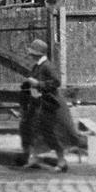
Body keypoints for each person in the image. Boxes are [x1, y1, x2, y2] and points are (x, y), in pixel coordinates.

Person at [19, 38, 77, 171]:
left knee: (51, 132)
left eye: (32, 53)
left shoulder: (47, 66)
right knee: (32, 129)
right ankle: (34, 158)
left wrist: (38, 84)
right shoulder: (37, 66)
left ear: (37, 54)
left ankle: (62, 161)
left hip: (51, 103)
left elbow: (56, 82)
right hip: (40, 103)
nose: (30, 55)